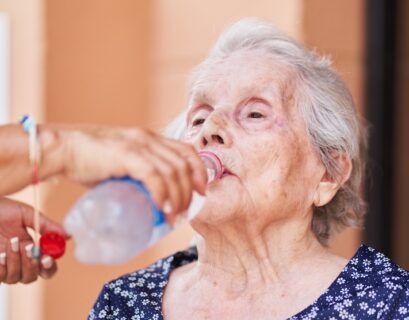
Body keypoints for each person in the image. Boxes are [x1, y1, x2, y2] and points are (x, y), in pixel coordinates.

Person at [89, 18, 409, 319]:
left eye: (255, 114)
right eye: (198, 118)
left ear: (328, 175)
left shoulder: (388, 303)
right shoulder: (125, 303)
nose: (209, 128)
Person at [0, 123, 207, 284]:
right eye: (199, 119)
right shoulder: (123, 298)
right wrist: (64, 149)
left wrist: (62, 148)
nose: (211, 127)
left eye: (242, 118)